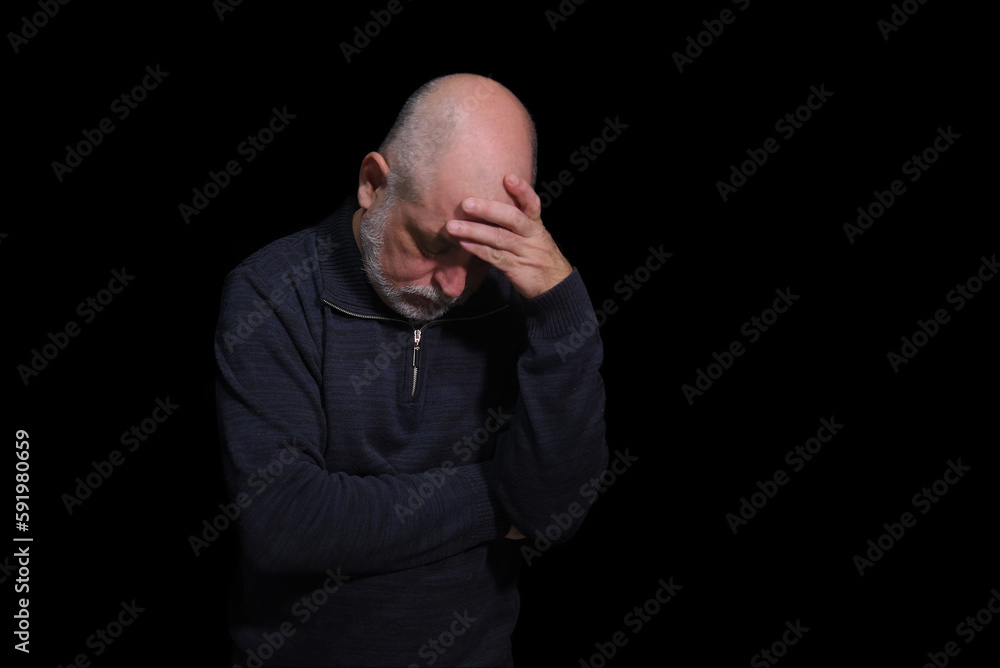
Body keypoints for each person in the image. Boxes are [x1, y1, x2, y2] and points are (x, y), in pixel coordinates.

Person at [215, 73, 608, 667]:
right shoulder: (271, 293)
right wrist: (498, 495)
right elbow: (286, 524)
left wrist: (563, 311)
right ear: (374, 184)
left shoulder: (513, 299)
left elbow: (553, 514)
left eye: (479, 257)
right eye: (434, 246)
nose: (453, 286)